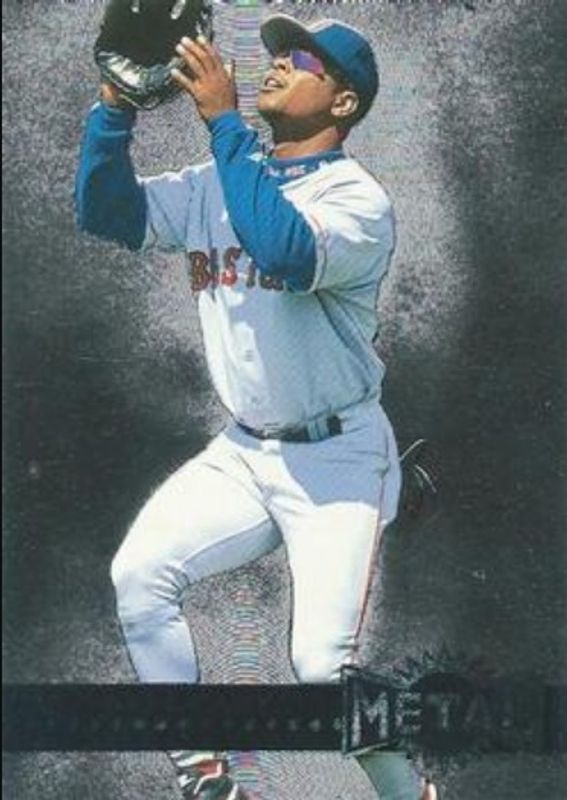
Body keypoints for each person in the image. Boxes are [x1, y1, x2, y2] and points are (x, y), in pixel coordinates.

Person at [75, 11, 437, 800]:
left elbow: (283, 249)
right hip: (244, 452)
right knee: (139, 575)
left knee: (321, 667)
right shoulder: (219, 179)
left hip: (337, 457)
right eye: (277, 52)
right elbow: (105, 211)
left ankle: (407, 789)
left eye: (303, 60)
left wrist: (222, 123)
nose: (277, 63)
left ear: (343, 102)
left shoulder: (357, 199)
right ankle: (204, 773)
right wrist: (115, 105)